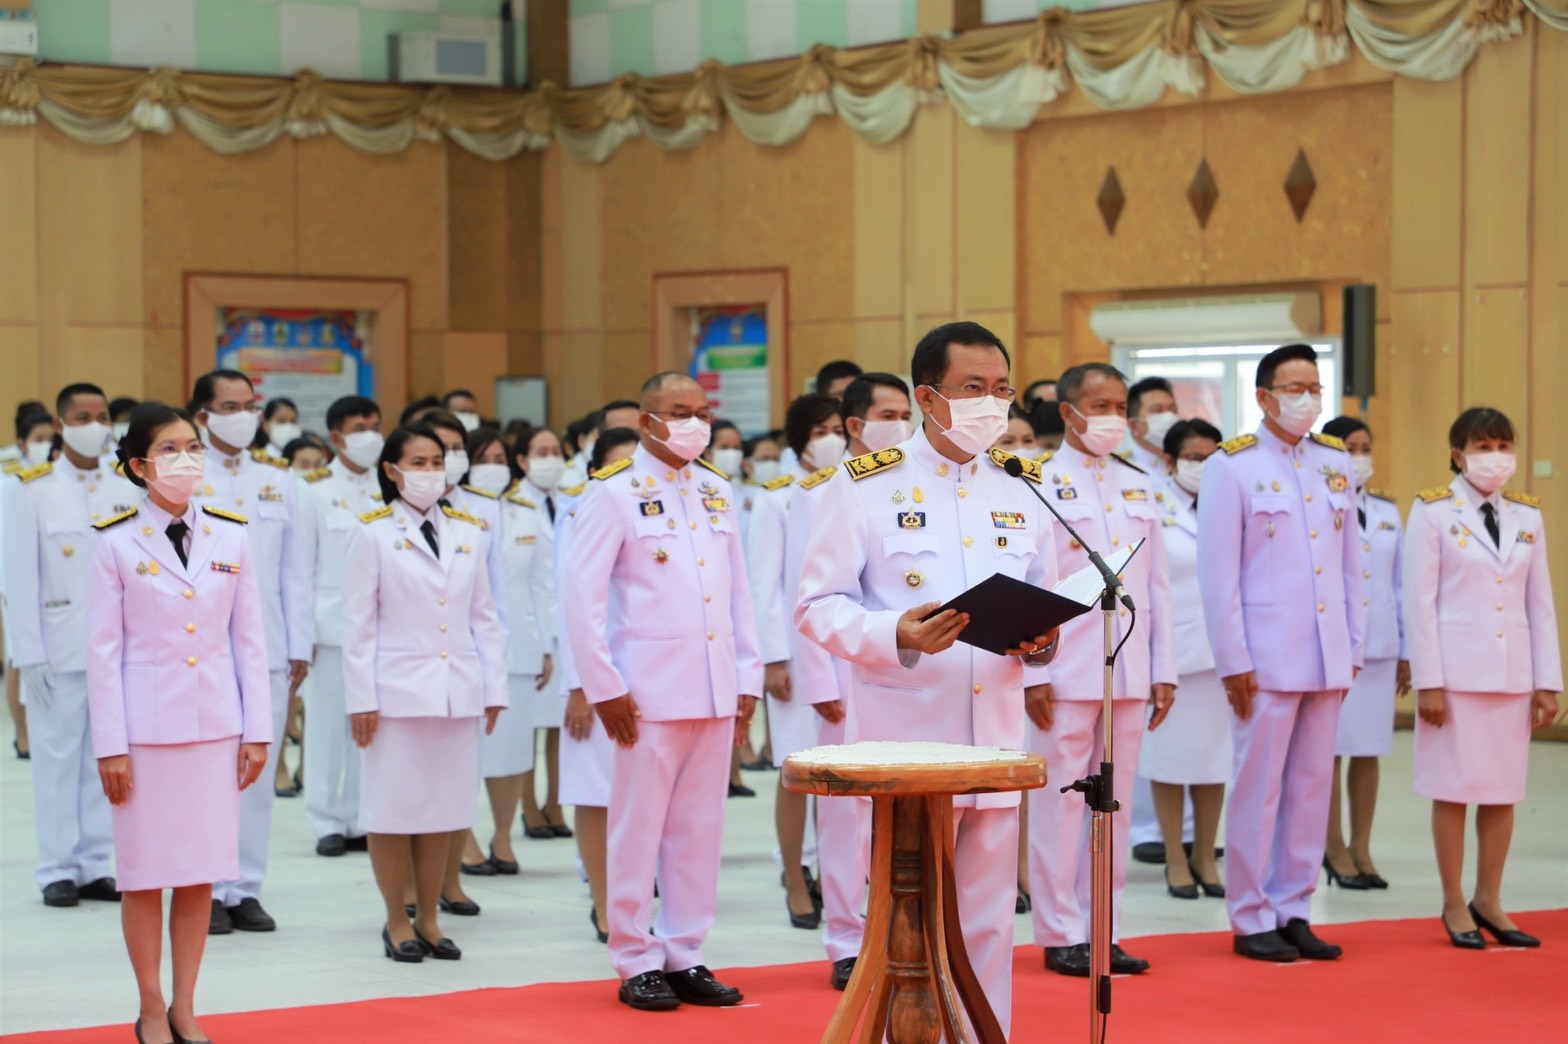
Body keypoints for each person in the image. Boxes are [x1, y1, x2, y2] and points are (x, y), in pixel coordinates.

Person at [797, 322, 1060, 1036]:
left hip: (995, 739)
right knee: (905, 929)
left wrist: (1042, 646)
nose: (992, 404)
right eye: (972, 389)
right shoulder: (864, 486)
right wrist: (894, 635)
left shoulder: (1023, 485)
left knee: (987, 927)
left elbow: (1045, 593)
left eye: (1001, 389)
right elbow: (816, 606)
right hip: (906, 741)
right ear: (926, 397)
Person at [563, 373, 762, 1012]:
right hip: (644, 694)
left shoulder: (714, 490)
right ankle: (634, 954)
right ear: (647, 421)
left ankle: (686, 952)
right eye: (680, 412)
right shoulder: (613, 492)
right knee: (637, 827)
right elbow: (581, 597)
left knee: (699, 830)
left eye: (701, 412)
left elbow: (738, 594)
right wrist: (603, 686)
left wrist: (747, 678)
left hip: (711, 687)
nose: (694, 423)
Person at [87, 402, 272, 1044]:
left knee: (198, 872)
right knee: (142, 875)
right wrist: (110, 746)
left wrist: (257, 731)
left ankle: (187, 1006)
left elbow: (250, 642)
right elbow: (102, 654)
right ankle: (149, 1005)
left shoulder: (232, 534)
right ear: (139, 466)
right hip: (143, 736)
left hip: (215, 729)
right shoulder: (112, 541)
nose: (186, 458)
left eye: (192, 446)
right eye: (169, 449)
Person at [1197, 343, 1364, 963]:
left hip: (1324, 655)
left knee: (1312, 787)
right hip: (1264, 659)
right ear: (1264, 396)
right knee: (1259, 787)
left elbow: (1351, 565)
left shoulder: (1333, 463)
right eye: (1294, 388)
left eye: (1315, 388)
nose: (1307, 399)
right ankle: (1249, 914)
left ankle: (1295, 906)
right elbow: (1220, 577)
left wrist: (1352, 647)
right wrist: (1234, 660)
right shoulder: (1232, 466)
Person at [1027, 362, 1175, 977]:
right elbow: (1031, 582)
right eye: (1100, 404)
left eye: (1120, 405)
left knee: (1110, 802)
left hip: (1128, 669)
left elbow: (1158, 587)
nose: (1113, 416)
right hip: (1064, 669)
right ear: (1068, 411)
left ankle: (1103, 927)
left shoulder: (1140, 483)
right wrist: (1035, 672)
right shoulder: (1036, 482)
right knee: (1061, 803)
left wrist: (1164, 668)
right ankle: (1060, 929)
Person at [344, 424, 507, 964]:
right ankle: (397, 919)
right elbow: (359, 626)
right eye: (417, 462)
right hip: (394, 695)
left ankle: (431, 918)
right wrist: (361, 698)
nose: (430, 471)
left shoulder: (468, 530)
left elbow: (484, 617)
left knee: (445, 809)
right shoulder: (370, 533)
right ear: (391, 471)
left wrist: (493, 687)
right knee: (392, 811)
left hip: (456, 691)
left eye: (436, 461)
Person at [1405, 407, 1560, 949]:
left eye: (1502, 444)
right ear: (1458, 454)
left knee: (1501, 792)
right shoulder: (1432, 512)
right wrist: (1428, 681)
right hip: (1455, 677)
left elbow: (1539, 603)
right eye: (1483, 445)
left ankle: (1489, 897)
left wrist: (1549, 680)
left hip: (1511, 676)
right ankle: (1453, 902)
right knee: (1453, 791)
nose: (1495, 455)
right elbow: (1419, 605)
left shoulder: (1527, 517)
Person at [787, 371, 911, 989]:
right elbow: (801, 594)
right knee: (845, 813)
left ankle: (896, 926)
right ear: (857, 424)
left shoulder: (912, 484)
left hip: (900, 673)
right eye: (887, 413)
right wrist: (819, 683)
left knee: (897, 808)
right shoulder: (816, 492)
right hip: (839, 671)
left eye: (905, 411)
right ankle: (844, 935)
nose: (901, 423)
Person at [188, 370, 314, 935]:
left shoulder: (279, 480)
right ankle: (207, 888)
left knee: (257, 776)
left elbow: (298, 570)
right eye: (229, 406)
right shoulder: (185, 477)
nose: (243, 416)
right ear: (202, 416)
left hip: (269, 647)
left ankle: (245, 889)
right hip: (207, 650)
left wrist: (300, 643)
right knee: (209, 774)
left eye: (249, 405)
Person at [2, 382, 134, 908]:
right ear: (59, 425)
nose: (96, 424)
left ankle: (95, 862)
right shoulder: (30, 488)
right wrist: (27, 654)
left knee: (106, 759)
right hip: (58, 649)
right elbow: (18, 580)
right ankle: (56, 866)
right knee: (57, 761)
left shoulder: (126, 488)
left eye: (102, 415)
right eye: (83, 416)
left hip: (117, 651)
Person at [747, 393, 846, 925]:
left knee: (846, 778)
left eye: (837, 427)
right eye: (820, 429)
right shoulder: (777, 499)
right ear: (800, 439)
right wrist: (773, 659)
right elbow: (763, 586)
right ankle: (795, 878)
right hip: (796, 656)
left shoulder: (856, 487)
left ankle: (842, 877)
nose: (830, 437)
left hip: (848, 656)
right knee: (796, 770)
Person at [555, 427, 641, 944]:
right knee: (595, 792)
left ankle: (634, 896)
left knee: (640, 796)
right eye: (618, 466)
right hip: (595, 675)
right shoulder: (582, 513)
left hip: (648, 676)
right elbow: (569, 606)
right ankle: (603, 901)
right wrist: (579, 684)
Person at [1140, 418, 1229, 898]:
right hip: (1172, 652)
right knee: (1171, 762)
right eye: (1194, 458)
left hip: (1221, 654)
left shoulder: (1229, 501)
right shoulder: (1152, 503)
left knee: (1215, 763)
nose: (1203, 466)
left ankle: (1205, 856)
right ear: (1170, 461)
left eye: (1211, 457)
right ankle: (1175, 856)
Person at [461, 427, 553, 875]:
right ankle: (463, 836)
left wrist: (547, 645)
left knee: (513, 751)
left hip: (520, 644)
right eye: (484, 457)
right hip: (465, 647)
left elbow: (542, 584)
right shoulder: (453, 508)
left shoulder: (526, 511)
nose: (493, 465)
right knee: (465, 750)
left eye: (500, 457)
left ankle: (501, 835)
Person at [1322, 416, 1408, 890]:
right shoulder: (1321, 507)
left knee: (1369, 751)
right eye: (1349, 448)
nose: (1359, 456)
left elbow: (1400, 585)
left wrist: (1407, 650)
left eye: (1365, 447)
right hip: (1335, 649)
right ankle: (1332, 845)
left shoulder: (1388, 511)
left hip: (1378, 649)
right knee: (1332, 752)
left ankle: (1362, 845)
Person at [299, 394, 385, 857]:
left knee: (369, 728)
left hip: (380, 627)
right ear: (336, 437)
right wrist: (302, 634)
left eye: (375, 423)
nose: (370, 433)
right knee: (328, 729)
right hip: (329, 629)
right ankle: (327, 819)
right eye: (359, 426)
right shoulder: (312, 490)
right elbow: (301, 567)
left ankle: (360, 816)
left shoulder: (391, 485)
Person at [1126, 376, 1179, 478]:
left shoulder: (1190, 468)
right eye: (1157, 410)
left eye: (1173, 410)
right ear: (1134, 426)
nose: (1169, 416)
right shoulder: (1121, 470)